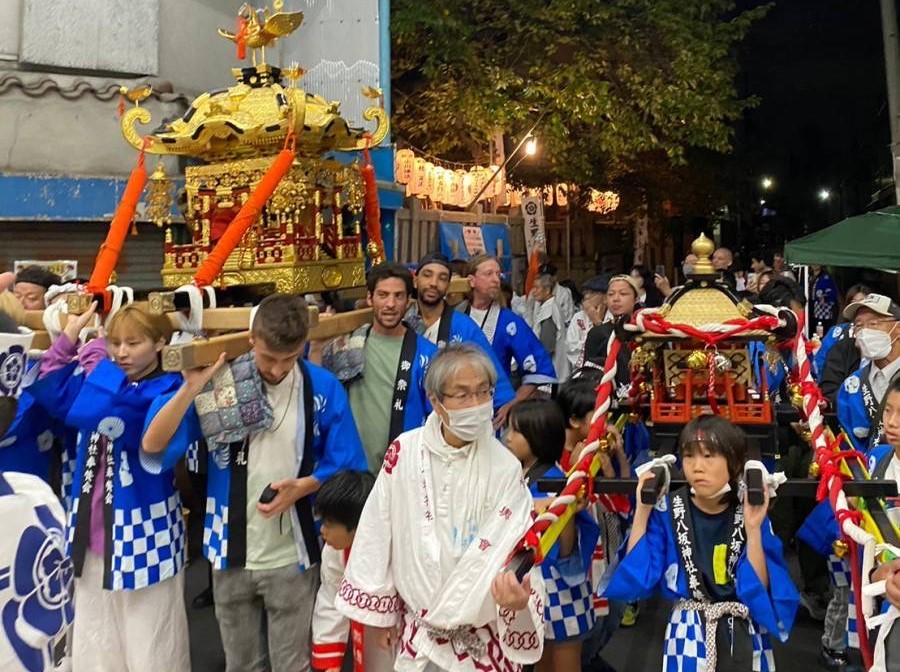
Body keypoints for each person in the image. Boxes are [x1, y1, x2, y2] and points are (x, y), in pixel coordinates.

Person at [141, 293, 368, 672]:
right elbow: (153, 447)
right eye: (268, 358)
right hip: (228, 550)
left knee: (292, 663)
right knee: (241, 664)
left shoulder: (321, 387)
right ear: (251, 340)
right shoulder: (221, 382)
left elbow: (348, 461)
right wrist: (190, 388)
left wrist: (306, 484)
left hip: (293, 552)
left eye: (289, 358)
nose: (278, 370)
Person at [334, 344, 546, 671]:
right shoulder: (405, 452)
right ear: (435, 400)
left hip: (482, 639)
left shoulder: (505, 466)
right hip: (419, 633)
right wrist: (381, 611)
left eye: (483, 392)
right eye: (462, 395)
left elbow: (519, 546)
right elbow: (378, 529)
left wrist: (517, 599)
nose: (476, 404)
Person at [28, 302, 190, 671]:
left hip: (145, 530)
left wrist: (99, 369)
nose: (121, 352)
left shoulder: (168, 388)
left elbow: (115, 412)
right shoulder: (105, 382)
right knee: (93, 632)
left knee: (151, 637)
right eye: (115, 342)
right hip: (90, 525)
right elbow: (53, 389)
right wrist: (72, 331)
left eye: (133, 343)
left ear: (161, 343)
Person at [605, 415, 799, 670]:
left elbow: (759, 589)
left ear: (734, 462)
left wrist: (753, 530)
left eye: (709, 456)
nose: (697, 466)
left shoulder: (749, 510)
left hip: (742, 628)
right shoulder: (669, 509)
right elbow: (637, 575)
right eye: (689, 456)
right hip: (687, 628)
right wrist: (643, 509)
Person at [505, 399, 599, 672]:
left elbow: (567, 546)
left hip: (559, 586)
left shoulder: (555, 481)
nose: (507, 438)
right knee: (539, 658)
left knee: (564, 663)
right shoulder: (521, 474)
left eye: (515, 431)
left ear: (538, 436)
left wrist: (562, 512)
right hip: (534, 585)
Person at [321, 263, 438, 472]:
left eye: (399, 296)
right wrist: (318, 343)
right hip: (351, 469)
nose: (390, 304)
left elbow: (437, 418)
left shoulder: (427, 354)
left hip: (403, 469)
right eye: (383, 295)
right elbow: (319, 391)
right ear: (369, 298)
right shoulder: (347, 345)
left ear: (409, 301)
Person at [403, 252, 516, 424]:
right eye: (427, 275)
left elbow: (491, 375)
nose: (434, 283)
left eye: (442, 278)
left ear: (447, 286)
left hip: (455, 421)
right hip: (412, 418)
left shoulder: (464, 326)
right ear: (415, 280)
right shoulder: (404, 324)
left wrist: (504, 405)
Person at [311, 470, 392, 672]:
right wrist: (329, 664)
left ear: (358, 526)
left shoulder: (396, 549)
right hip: (364, 639)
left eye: (329, 523)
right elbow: (331, 600)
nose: (322, 530)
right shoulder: (334, 552)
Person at [458, 254, 557, 406]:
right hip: (456, 405)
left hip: (492, 406)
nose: (496, 280)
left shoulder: (509, 321)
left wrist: (511, 403)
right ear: (472, 280)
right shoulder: (456, 317)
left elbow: (540, 365)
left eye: (498, 274)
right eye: (488, 274)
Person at [837, 293, 900, 452]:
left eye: (873, 323)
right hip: (868, 474)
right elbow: (849, 447)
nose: (864, 332)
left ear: (897, 329)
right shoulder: (851, 386)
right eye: (858, 325)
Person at [815, 283, 871, 388]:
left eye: (863, 302)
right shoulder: (837, 331)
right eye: (854, 302)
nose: (859, 307)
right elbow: (820, 361)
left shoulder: (878, 333)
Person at [527, 273, 570, 382]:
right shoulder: (549, 305)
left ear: (547, 290)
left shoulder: (549, 312)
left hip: (550, 370)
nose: (533, 292)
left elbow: (547, 346)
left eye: (537, 288)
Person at [565, 275, 609, 373]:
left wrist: (597, 323)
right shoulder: (578, 317)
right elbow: (571, 346)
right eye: (586, 293)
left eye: (593, 293)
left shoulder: (613, 316)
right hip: (582, 371)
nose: (587, 296)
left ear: (605, 297)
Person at [811, 266, 840, 336]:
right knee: (816, 326)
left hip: (825, 308)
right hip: (814, 306)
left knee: (824, 327)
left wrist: (825, 296)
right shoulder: (810, 276)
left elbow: (833, 292)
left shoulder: (826, 277)